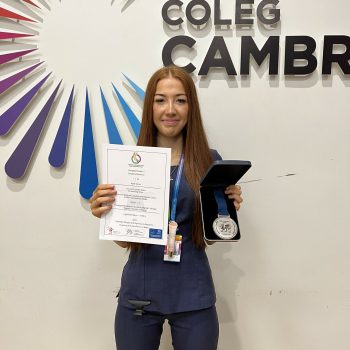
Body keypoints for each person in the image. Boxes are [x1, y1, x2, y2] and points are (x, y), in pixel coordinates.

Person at [89, 66, 243, 350]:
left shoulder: (208, 161)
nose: (170, 109)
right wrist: (105, 214)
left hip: (193, 294)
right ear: (150, 107)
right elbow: (126, 240)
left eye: (180, 100)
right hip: (140, 293)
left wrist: (226, 212)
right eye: (161, 100)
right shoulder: (129, 163)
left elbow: (209, 237)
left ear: (190, 107)